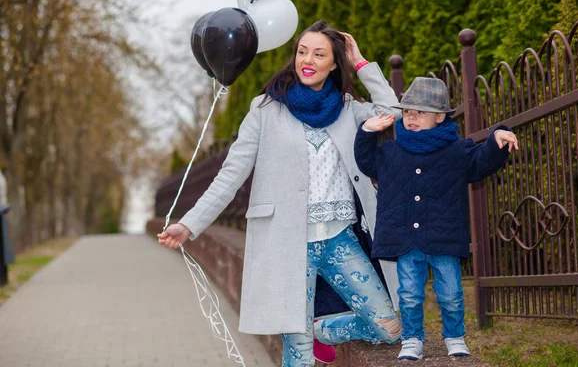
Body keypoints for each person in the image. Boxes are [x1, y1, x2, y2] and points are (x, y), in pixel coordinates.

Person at [158, 20, 402, 367]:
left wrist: (361, 62)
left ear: (334, 63)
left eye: (320, 54)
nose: (308, 59)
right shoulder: (266, 108)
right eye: (303, 51)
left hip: (339, 239)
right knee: (298, 355)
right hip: (286, 242)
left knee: (389, 326)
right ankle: (302, 333)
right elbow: (231, 174)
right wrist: (189, 225)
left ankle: (318, 328)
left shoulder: (349, 109)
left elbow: (393, 113)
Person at [354, 77, 519, 361]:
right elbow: (366, 161)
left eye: (420, 112)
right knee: (409, 294)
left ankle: (454, 336)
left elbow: (482, 161)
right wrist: (367, 131)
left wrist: (496, 138)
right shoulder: (391, 151)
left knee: (452, 293)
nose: (411, 117)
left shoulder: (458, 150)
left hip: (444, 236)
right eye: (407, 111)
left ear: (440, 117)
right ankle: (412, 338)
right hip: (406, 238)